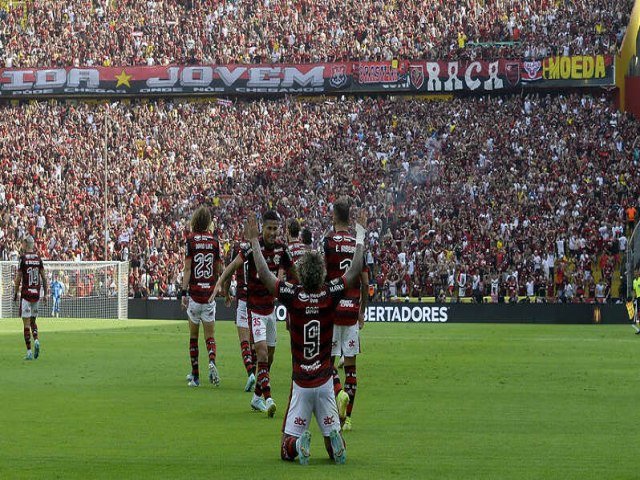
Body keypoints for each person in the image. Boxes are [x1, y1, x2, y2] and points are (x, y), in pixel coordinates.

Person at [243, 210, 367, 465]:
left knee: (284, 448)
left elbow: (266, 276)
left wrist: (254, 241)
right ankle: (336, 442)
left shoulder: (292, 294)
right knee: (333, 445)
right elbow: (354, 271)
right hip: (324, 382)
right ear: (321, 273)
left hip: (301, 383)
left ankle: (298, 443)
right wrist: (361, 234)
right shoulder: (330, 293)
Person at [213, 210, 293, 416]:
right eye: (269, 228)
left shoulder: (282, 250)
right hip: (254, 310)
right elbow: (232, 266)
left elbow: (295, 273)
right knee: (262, 353)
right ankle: (269, 399)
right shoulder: (250, 248)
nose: (273, 233)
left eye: (276, 228)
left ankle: (257, 397)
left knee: (270, 358)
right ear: (262, 228)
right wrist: (219, 285)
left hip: (270, 311)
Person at [323, 197, 369, 431]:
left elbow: (322, 275)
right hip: (351, 311)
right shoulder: (356, 243)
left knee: (327, 364)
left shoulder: (328, 241)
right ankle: (347, 419)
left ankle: (338, 392)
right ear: (349, 217)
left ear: (333, 216)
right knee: (351, 367)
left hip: (332, 310)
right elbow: (364, 280)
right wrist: (363, 309)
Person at [181, 206, 223, 387]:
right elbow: (219, 269)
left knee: (193, 337)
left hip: (195, 295)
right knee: (210, 336)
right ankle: (212, 361)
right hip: (209, 295)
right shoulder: (215, 241)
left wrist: (183, 292)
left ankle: (196, 376)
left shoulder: (190, 240)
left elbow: (188, 269)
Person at [226, 242, 257, 392]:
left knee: (244, 341)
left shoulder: (237, 249)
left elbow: (229, 272)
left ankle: (250, 373)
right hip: (256, 300)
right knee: (255, 341)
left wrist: (226, 293)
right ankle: (257, 375)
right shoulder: (259, 248)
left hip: (243, 300)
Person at [13, 235, 47, 360]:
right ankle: (36, 340)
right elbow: (44, 277)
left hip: (26, 295)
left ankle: (29, 352)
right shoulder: (38, 258)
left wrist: (15, 293)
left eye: (23, 243)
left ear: (26, 244)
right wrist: (46, 293)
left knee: (26, 324)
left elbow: (18, 278)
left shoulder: (22, 258)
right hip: (36, 294)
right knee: (33, 321)